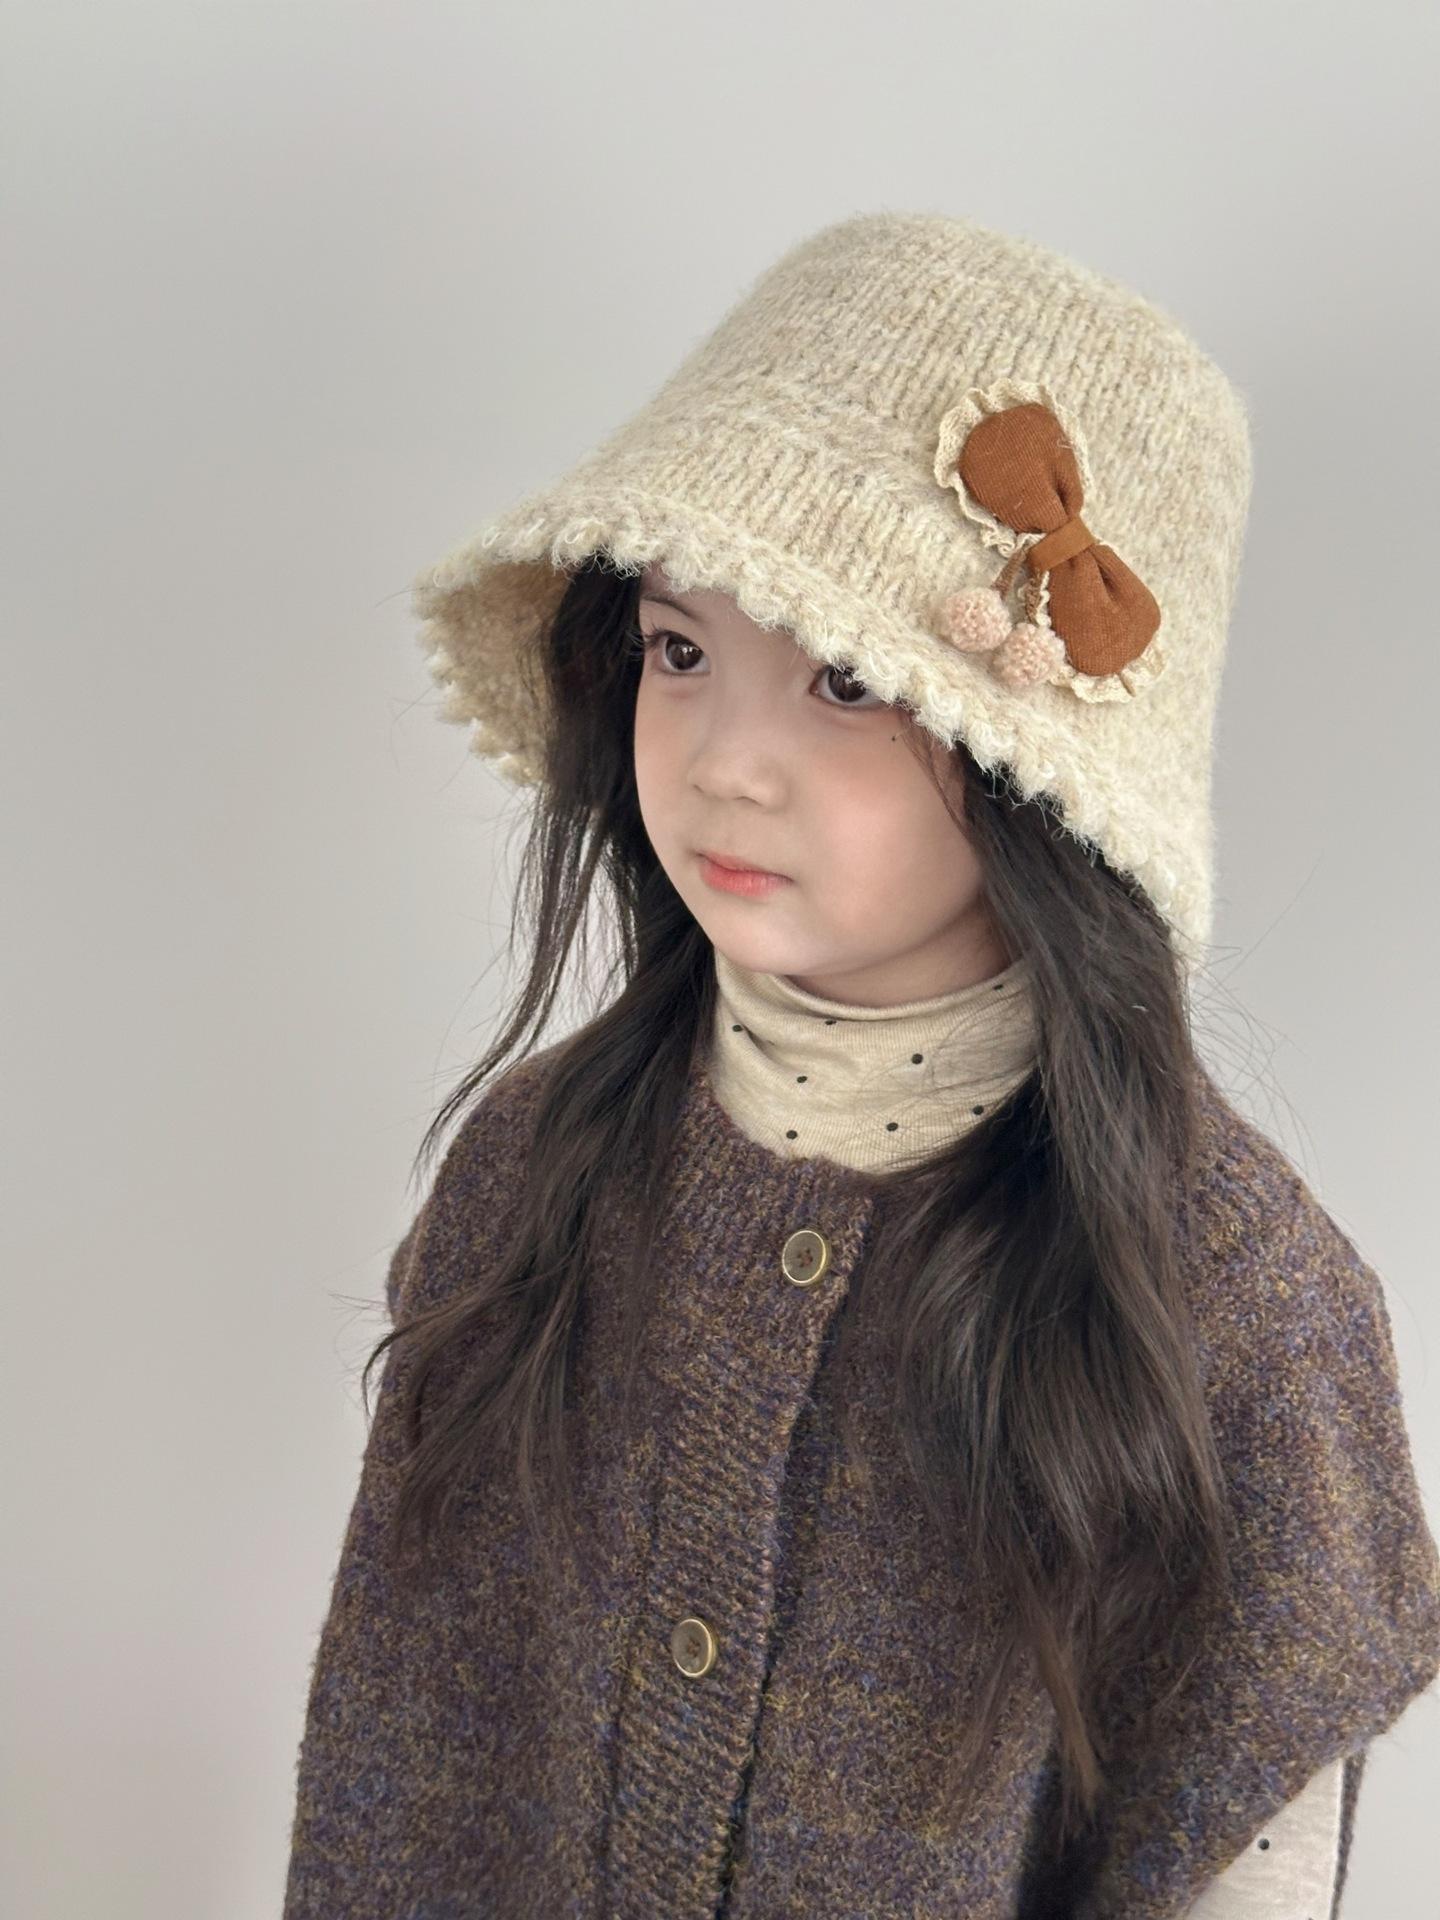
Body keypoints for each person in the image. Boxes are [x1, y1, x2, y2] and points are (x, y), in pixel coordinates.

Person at [281, 211, 1440, 1918]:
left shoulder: (1235, 1303)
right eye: (679, 652)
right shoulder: (537, 1173)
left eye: (844, 680)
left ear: (1041, 759)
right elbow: (393, 1766)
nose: (723, 765)